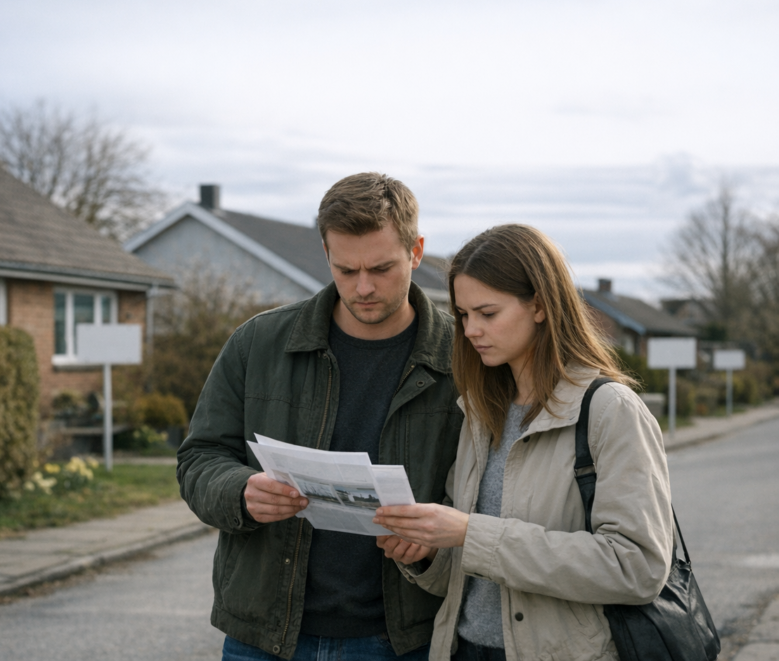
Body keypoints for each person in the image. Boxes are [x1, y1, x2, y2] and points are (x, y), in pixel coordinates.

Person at [176, 173, 465, 660]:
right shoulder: (258, 343)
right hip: (265, 636)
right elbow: (199, 458)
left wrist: (436, 546)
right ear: (326, 253)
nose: (364, 287)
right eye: (345, 269)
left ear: (416, 251)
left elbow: (495, 486)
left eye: (381, 267)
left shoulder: (465, 359)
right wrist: (239, 491)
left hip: (405, 637)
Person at [373, 224, 674, 661]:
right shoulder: (480, 412)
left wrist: (470, 532)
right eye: (463, 315)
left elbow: (638, 567)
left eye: (488, 313)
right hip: (461, 650)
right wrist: (428, 553)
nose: (471, 329)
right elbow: (467, 566)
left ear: (539, 305)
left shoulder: (610, 411)